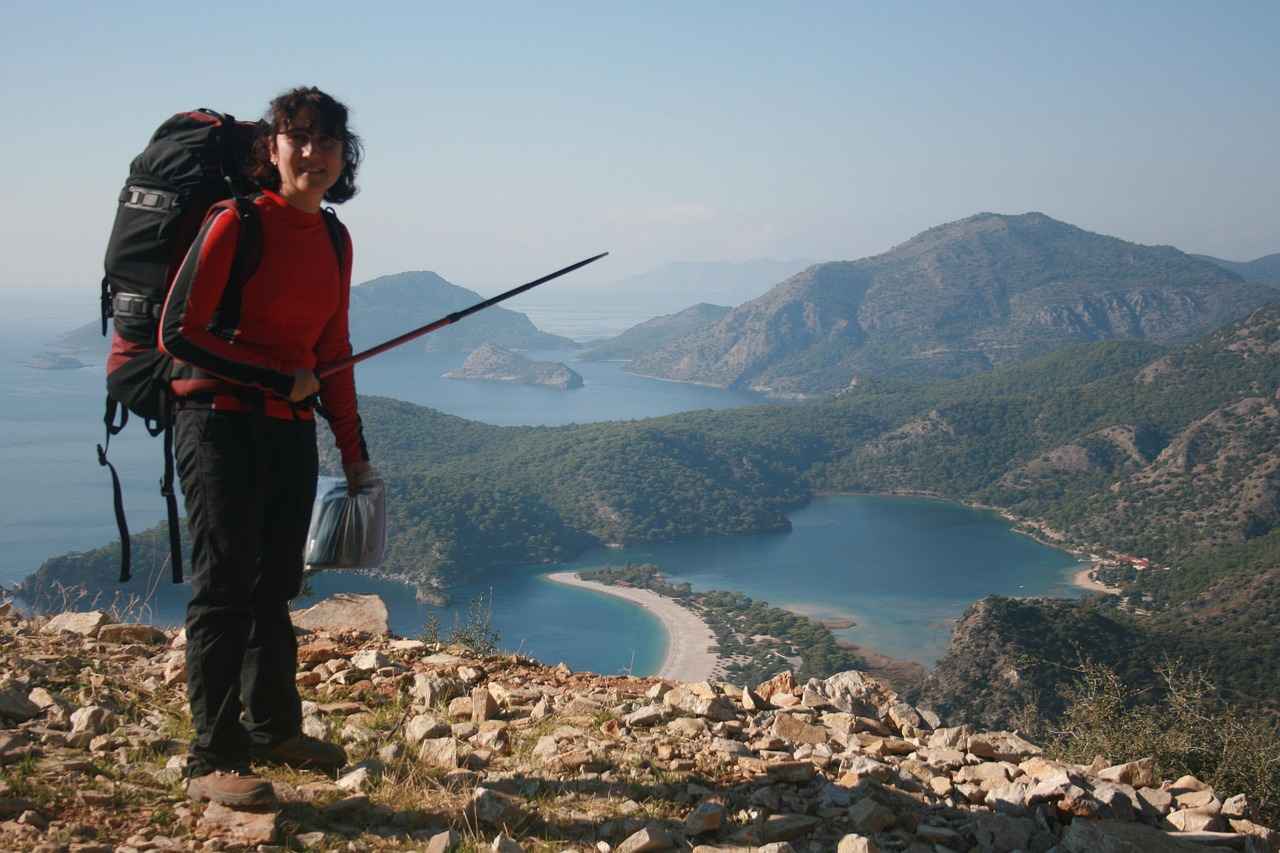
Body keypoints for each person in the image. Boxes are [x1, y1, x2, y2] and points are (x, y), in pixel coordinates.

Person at [158, 86, 374, 807]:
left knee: (274, 585)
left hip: (287, 428)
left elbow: (333, 353)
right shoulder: (236, 221)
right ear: (271, 147)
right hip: (217, 422)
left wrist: (354, 454)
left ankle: (273, 727)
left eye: (327, 140)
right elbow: (179, 334)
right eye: (297, 137)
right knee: (223, 589)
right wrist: (277, 375)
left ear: (345, 156)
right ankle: (209, 760)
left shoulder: (335, 238)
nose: (312, 153)